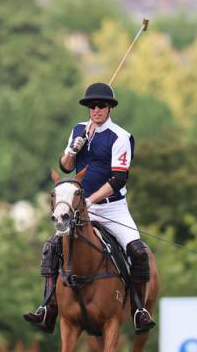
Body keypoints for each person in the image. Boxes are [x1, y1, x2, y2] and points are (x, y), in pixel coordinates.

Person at [23, 81, 155, 334]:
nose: (96, 110)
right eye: (92, 106)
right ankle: (48, 308)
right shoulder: (78, 130)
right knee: (51, 248)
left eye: (101, 106)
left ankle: (139, 309)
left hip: (111, 207)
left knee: (137, 252)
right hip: (79, 208)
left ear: (109, 108)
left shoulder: (121, 137)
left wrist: (91, 200)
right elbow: (64, 166)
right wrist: (73, 150)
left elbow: (119, 179)